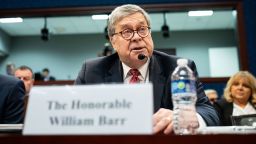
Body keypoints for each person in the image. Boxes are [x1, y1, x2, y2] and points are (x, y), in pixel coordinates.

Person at [75, 4, 219, 134]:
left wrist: (181, 117)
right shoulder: (92, 71)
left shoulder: (177, 68)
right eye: (127, 32)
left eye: (142, 29)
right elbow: (75, 116)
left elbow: (208, 113)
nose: (137, 37)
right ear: (113, 41)